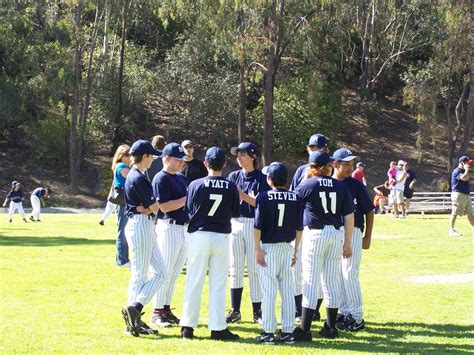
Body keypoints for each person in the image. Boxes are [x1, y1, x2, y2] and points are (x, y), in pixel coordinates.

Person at [180, 147, 240, 341]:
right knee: (218, 283)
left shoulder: (196, 184)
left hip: (199, 235)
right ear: (224, 164)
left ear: (206, 164)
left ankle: (187, 327)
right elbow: (234, 211)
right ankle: (217, 327)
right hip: (221, 235)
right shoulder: (231, 186)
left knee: (194, 280)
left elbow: (189, 209)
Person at [292, 151, 354, 341]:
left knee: (310, 280)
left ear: (313, 166)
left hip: (315, 233)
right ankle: (331, 327)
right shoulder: (340, 185)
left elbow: (292, 205)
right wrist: (348, 242)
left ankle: (304, 329)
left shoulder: (308, 184)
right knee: (331, 280)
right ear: (328, 166)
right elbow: (349, 216)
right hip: (336, 233)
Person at [121, 139, 167, 337]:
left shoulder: (137, 174)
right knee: (139, 274)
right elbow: (154, 206)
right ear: (145, 156)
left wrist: (149, 207)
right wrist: (150, 206)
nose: (153, 159)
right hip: (140, 224)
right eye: (152, 155)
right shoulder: (137, 177)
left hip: (143, 224)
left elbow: (150, 206)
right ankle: (133, 319)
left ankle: (135, 310)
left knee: (161, 273)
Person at [254, 162, 303, 345]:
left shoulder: (264, 197)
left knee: (268, 291)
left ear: (270, 179)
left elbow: (257, 225)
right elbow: (299, 228)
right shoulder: (295, 197)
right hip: (287, 247)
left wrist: (258, 249)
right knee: (287, 291)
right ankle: (288, 332)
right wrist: (296, 250)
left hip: (269, 248)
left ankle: (268, 331)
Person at [226, 142, 270, 324]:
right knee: (235, 268)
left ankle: (257, 311)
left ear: (253, 156)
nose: (239, 157)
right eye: (237, 154)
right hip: (235, 223)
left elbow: (261, 204)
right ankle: (235, 310)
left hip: (254, 224)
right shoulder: (233, 176)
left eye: (242, 154)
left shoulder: (262, 178)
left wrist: (241, 195)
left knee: (254, 269)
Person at [332, 148, 375, 332]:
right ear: (335, 164)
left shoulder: (356, 185)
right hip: (333, 232)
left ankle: (356, 316)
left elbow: (369, 211)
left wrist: (367, 237)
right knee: (337, 273)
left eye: (351, 164)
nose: (349, 168)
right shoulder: (328, 183)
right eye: (346, 164)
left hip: (355, 231)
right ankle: (343, 311)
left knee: (350, 272)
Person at [289, 132, 329, 322]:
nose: (316, 150)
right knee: (296, 268)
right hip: (301, 224)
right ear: (307, 149)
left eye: (319, 148)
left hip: (319, 226)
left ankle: (314, 309)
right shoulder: (301, 170)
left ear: (326, 150)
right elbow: (293, 196)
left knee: (317, 270)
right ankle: (300, 308)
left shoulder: (328, 173)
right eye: (313, 147)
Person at [151, 142, 189, 327]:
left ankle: (166, 308)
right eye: (177, 158)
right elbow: (164, 206)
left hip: (183, 228)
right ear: (166, 158)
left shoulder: (181, 179)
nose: (181, 162)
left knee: (174, 273)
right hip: (168, 226)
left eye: (182, 158)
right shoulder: (160, 178)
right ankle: (157, 311)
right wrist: (187, 198)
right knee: (164, 271)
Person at [111, 145, 131, 267]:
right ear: (121, 156)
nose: (130, 158)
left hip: (122, 203)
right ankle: (122, 260)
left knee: (123, 230)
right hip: (123, 202)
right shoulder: (122, 167)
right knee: (123, 231)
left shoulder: (119, 166)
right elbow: (132, 179)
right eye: (128, 155)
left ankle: (122, 258)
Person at [448, 156, 473, 236]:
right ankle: (451, 230)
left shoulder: (464, 171)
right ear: (462, 163)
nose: (469, 164)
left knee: (470, 213)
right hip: (458, 194)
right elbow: (463, 178)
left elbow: (466, 179)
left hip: (466, 195)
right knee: (455, 212)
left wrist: (466, 171)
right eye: (467, 163)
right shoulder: (456, 171)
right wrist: (466, 170)